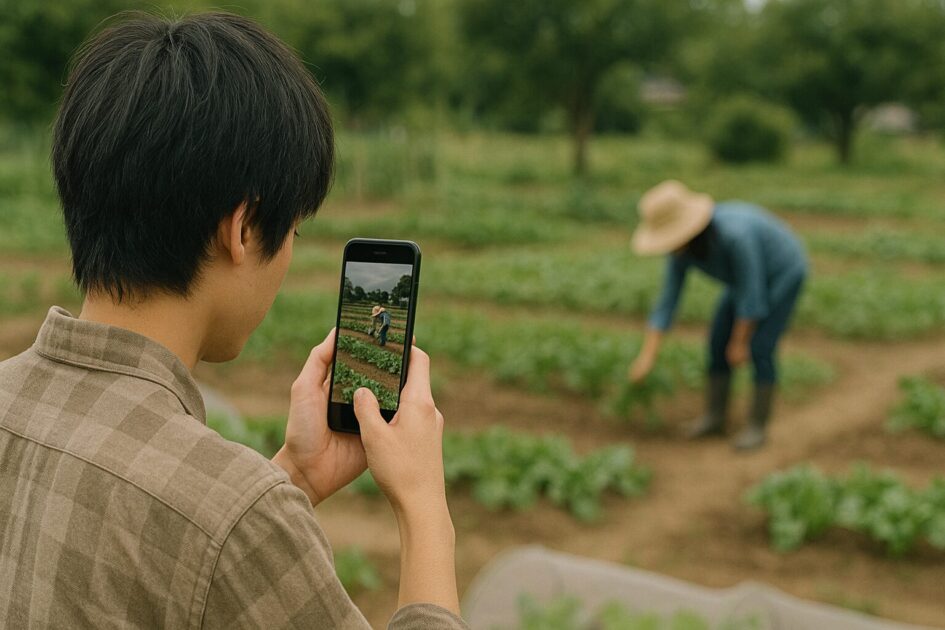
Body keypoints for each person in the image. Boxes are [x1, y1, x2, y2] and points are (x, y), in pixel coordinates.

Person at [0, 12, 466, 629]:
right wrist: (424, 505)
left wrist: (296, 475)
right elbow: (208, 529)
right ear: (243, 229)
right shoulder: (236, 517)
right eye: (294, 230)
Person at [628, 180, 808, 451]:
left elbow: (752, 295)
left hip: (783, 272)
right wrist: (647, 356)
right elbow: (668, 301)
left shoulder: (735, 236)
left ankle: (757, 426)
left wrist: (740, 342)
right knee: (717, 341)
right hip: (742, 282)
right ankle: (715, 417)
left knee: (760, 347)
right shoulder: (681, 250)